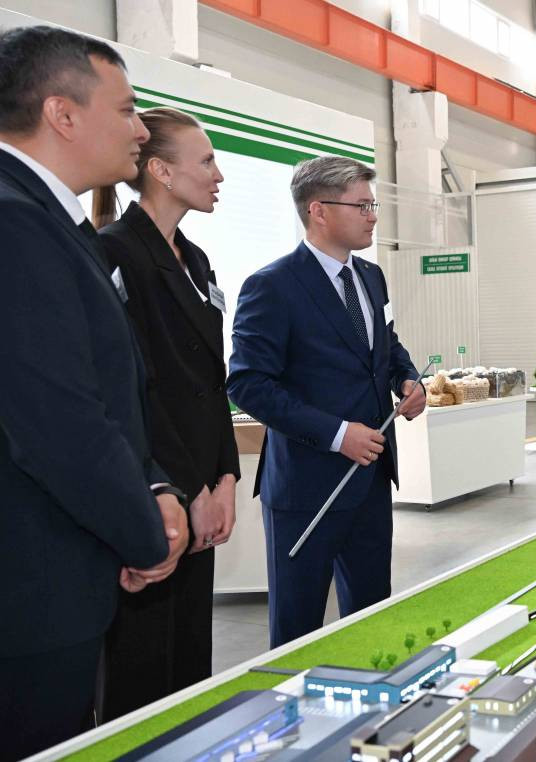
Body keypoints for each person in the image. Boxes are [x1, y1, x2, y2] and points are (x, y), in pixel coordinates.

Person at [0, 26, 188, 757]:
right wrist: (145, 533)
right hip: (30, 596)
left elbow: (109, 391)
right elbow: (58, 421)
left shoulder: (51, 220)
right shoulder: (15, 223)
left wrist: (155, 483)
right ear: (63, 114)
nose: (141, 130)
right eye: (128, 109)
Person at [227, 156, 424, 648]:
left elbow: (385, 344)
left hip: (371, 478)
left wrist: (406, 378)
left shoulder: (371, 277)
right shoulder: (272, 286)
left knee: (372, 618)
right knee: (299, 630)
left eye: (373, 205)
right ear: (318, 210)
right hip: (306, 487)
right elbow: (248, 384)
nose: (373, 216)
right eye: (362, 205)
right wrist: (337, 435)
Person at [94, 108, 241, 719]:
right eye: (206, 161)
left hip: (204, 485)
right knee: (143, 669)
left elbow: (211, 381)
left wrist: (227, 477)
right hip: (155, 491)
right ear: (160, 170)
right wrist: (188, 489)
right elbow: (136, 389)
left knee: (189, 664)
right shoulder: (115, 252)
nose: (218, 175)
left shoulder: (197, 260)